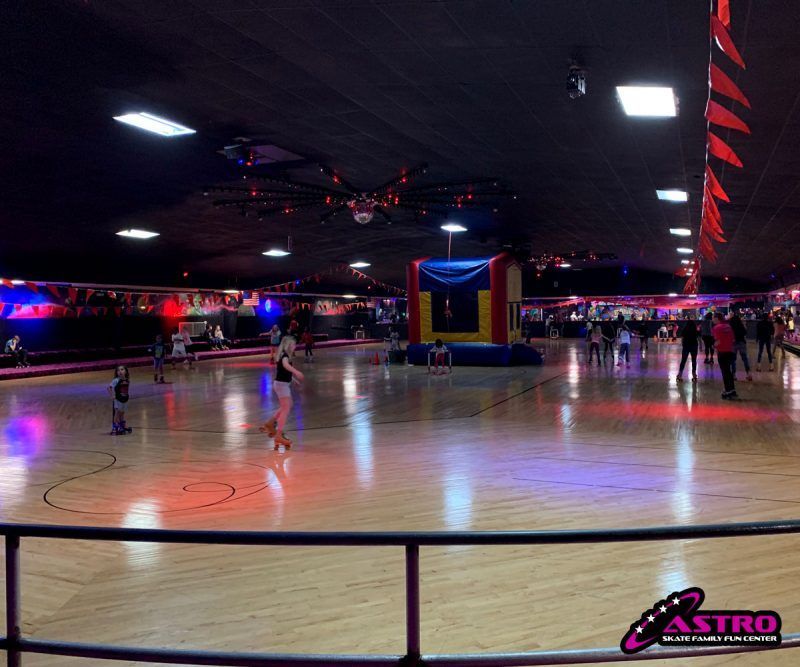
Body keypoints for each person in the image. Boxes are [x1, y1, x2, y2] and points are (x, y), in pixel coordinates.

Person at [259, 335, 304, 449]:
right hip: (281, 385)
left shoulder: (284, 355)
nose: (295, 346)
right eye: (293, 344)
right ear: (288, 345)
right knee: (286, 408)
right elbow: (286, 366)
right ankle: (278, 434)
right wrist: (296, 372)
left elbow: (283, 371)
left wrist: (293, 379)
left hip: (281, 384)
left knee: (287, 406)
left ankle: (270, 423)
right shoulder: (285, 356)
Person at [712, 313, 737, 399]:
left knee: (724, 372)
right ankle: (732, 390)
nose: (712, 320)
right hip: (730, 351)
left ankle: (727, 391)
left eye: (713, 318)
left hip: (722, 352)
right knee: (728, 372)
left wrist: (714, 346)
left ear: (717, 318)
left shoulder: (716, 328)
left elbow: (718, 341)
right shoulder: (728, 326)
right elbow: (733, 339)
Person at [108, 365, 132, 434]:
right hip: (118, 399)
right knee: (117, 413)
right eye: (118, 370)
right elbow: (109, 388)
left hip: (125, 399)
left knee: (122, 413)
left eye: (122, 369)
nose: (120, 371)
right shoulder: (116, 380)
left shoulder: (127, 380)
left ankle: (122, 425)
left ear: (126, 371)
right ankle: (115, 427)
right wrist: (112, 395)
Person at [729, 313, 753, 381]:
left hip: (733, 343)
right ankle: (748, 374)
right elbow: (745, 332)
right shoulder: (741, 326)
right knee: (745, 359)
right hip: (741, 343)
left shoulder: (731, 326)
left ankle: (733, 375)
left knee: (733, 360)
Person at [676, 315, 699, 383]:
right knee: (694, 360)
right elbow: (698, 337)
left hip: (686, 346)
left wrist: (683, 344)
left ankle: (680, 374)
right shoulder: (695, 330)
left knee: (683, 360)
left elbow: (682, 338)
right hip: (694, 346)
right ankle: (694, 374)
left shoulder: (685, 329)